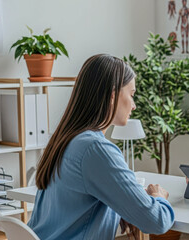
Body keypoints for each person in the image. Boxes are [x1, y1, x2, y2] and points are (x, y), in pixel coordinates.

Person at [28, 54, 175, 239]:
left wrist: (121, 207)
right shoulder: (95, 149)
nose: (134, 105)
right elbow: (157, 221)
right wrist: (158, 197)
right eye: (131, 95)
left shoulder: (65, 139)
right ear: (113, 96)